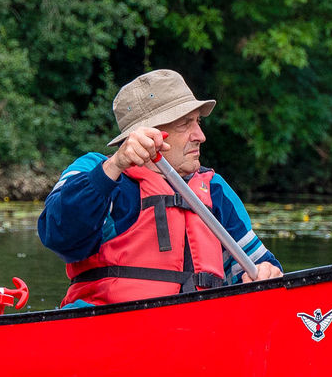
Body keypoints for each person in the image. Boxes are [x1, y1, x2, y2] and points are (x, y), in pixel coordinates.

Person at [38, 68, 283, 307]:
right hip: (110, 333)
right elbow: (58, 235)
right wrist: (114, 165)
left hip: (199, 333)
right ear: (151, 132)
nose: (200, 135)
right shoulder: (100, 174)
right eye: (185, 124)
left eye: (198, 122)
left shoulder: (215, 190)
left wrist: (265, 273)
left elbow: (261, 268)